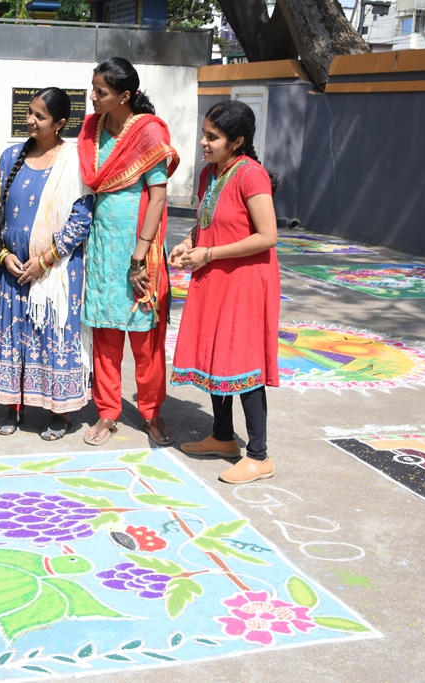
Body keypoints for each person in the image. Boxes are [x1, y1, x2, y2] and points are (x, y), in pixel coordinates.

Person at [169, 100, 281, 484]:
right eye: (204, 134)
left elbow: (267, 236)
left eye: (212, 137)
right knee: (216, 354)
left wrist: (209, 253)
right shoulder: (210, 173)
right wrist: (188, 243)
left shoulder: (251, 175)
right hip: (214, 276)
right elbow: (208, 223)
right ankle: (222, 436)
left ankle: (259, 455)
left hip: (245, 281)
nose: (203, 142)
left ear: (237, 141)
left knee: (242, 360)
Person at [77, 57, 179, 447]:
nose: (93, 97)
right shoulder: (92, 128)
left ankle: (152, 413)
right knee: (105, 334)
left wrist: (139, 255)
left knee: (145, 338)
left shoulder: (148, 131)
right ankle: (107, 412)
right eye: (93, 88)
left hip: (139, 247)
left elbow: (158, 197)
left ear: (124, 96)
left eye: (101, 92)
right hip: (103, 244)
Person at [0, 88, 94, 440]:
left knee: (54, 334)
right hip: (12, 269)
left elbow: (81, 219)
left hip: (56, 269)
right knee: (12, 334)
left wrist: (45, 260)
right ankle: (11, 406)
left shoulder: (73, 161)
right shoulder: (10, 157)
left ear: (59, 123)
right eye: (29, 112)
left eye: (40, 116)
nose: (30, 120)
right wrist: (3, 255)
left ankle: (59, 412)